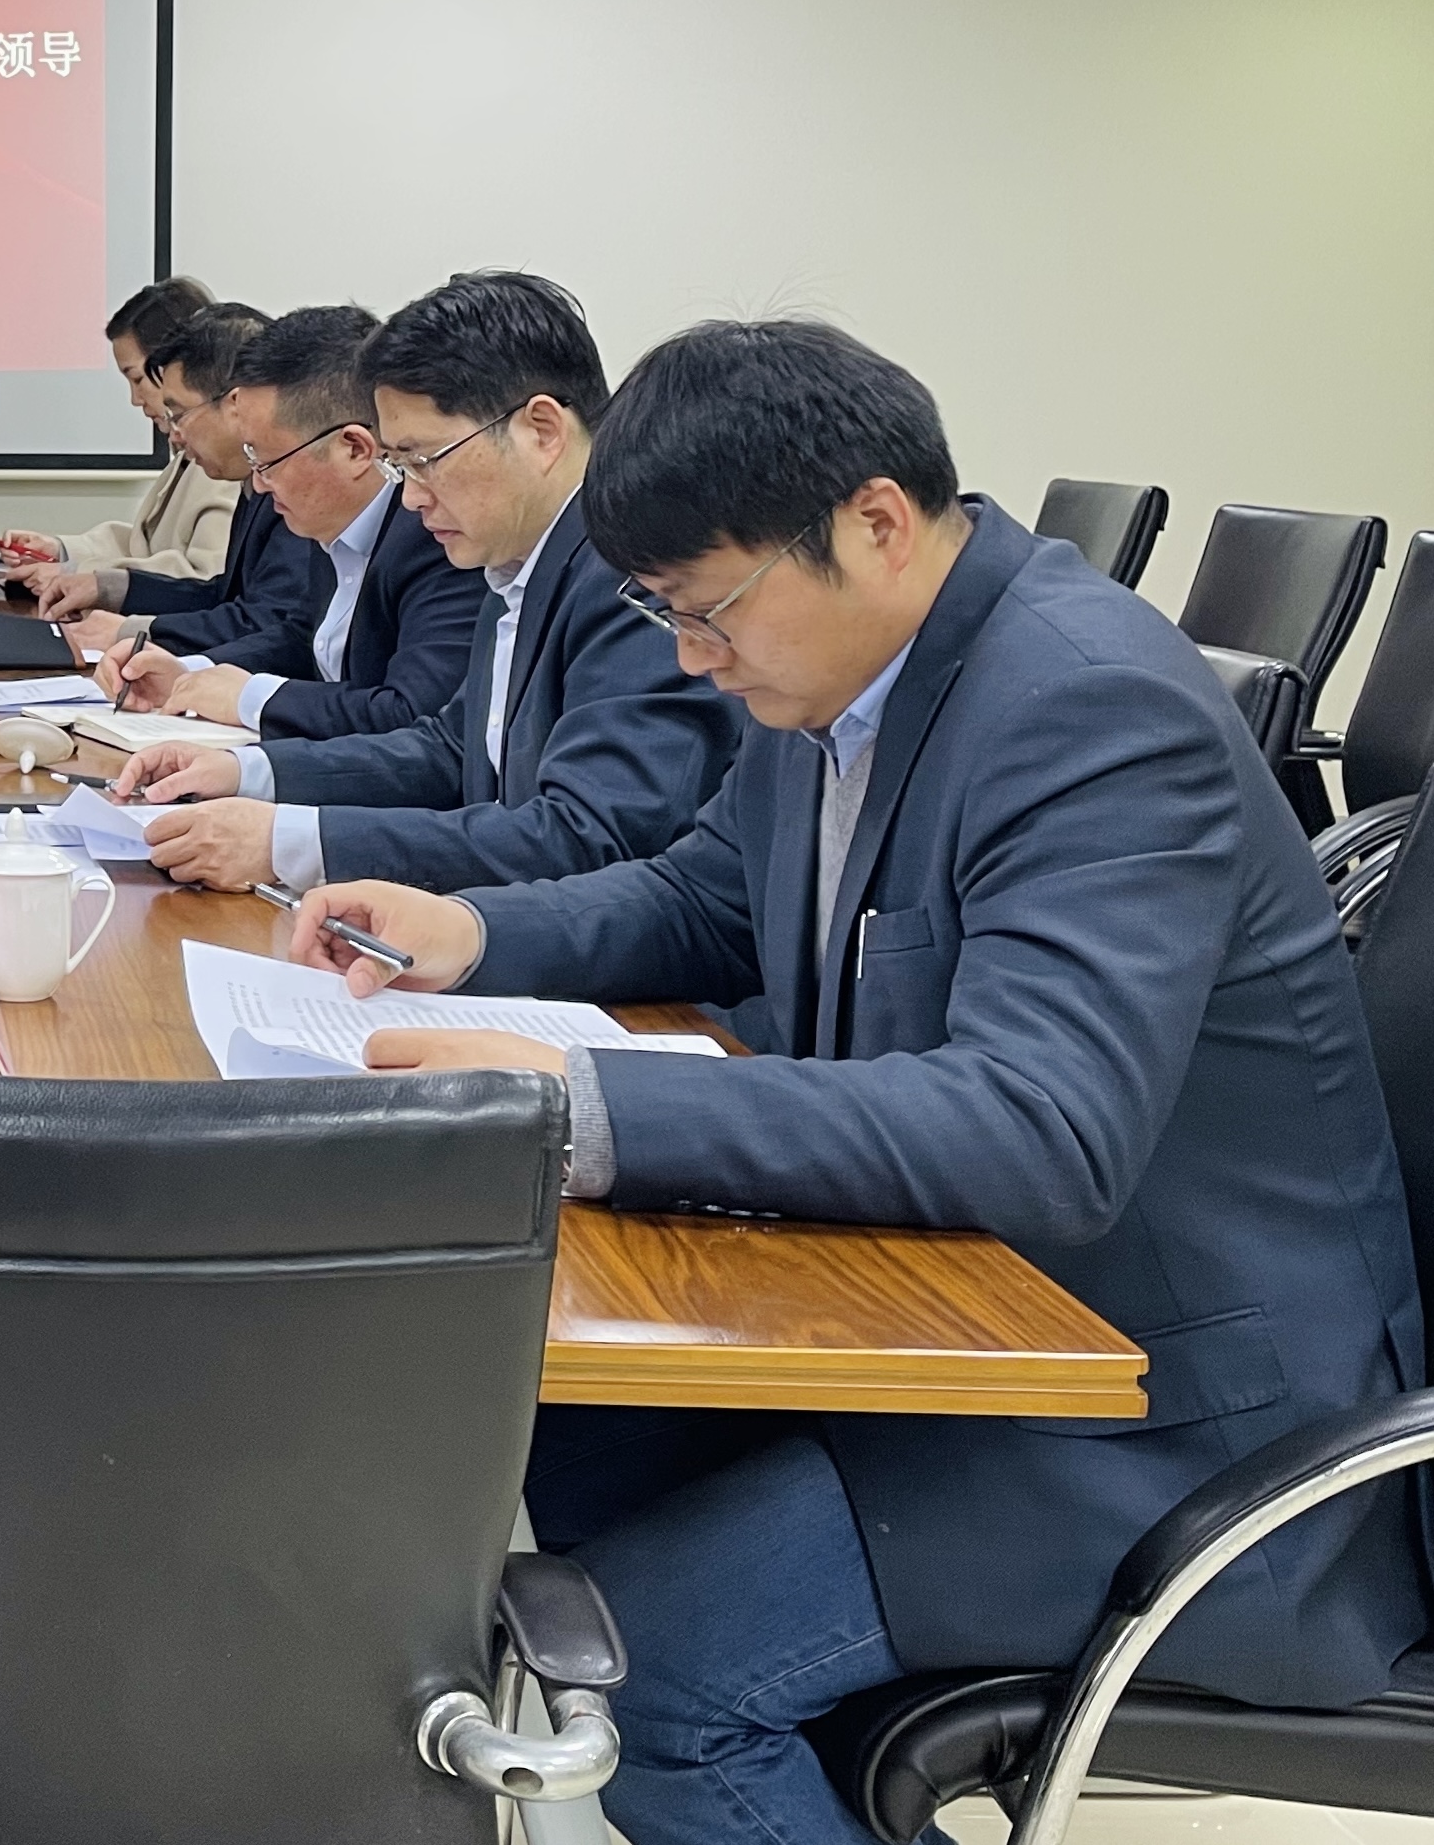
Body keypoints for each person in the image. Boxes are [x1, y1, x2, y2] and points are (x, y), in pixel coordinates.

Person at [283, 320, 1424, 1845]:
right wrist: (471, 931)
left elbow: (1040, 1127)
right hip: (953, 1321)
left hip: (1178, 1423)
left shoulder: (1089, 708)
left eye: (708, 611)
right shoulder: (847, 672)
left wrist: (577, 1100)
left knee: (655, 1675)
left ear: (876, 522)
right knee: (550, 1435)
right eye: (664, 614)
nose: (691, 658)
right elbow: (707, 894)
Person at [108, 271, 738, 894]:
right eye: (399, 464)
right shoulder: (519, 559)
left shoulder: (636, 578)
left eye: (425, 460)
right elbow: (450, 749)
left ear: (541, 431)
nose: (409, 496)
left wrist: (293, 843)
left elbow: (588, 836)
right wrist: (246, 771)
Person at [100, 303, 478, 741]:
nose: (259, 484)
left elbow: (408, 713)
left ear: (355, 449)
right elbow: (303, 638)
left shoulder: (435, 537)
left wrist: (249, 698)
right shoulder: (333, 519)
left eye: (267, 459)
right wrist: (189, 674)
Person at [35, 303, 305, 637]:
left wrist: (132, 632)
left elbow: (266, 623)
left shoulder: (294, 488)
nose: (175, 434)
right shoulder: (253, 481)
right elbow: (222, 594)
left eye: (179, 414)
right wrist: (108, 587)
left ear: (236, 404)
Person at [0, 277, 238, 591]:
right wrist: (61, 550)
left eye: (138, 380)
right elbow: (145, 547)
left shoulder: (223, 464)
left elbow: (203, 577)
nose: (135, 399)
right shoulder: (191, 454)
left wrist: (79, 573)